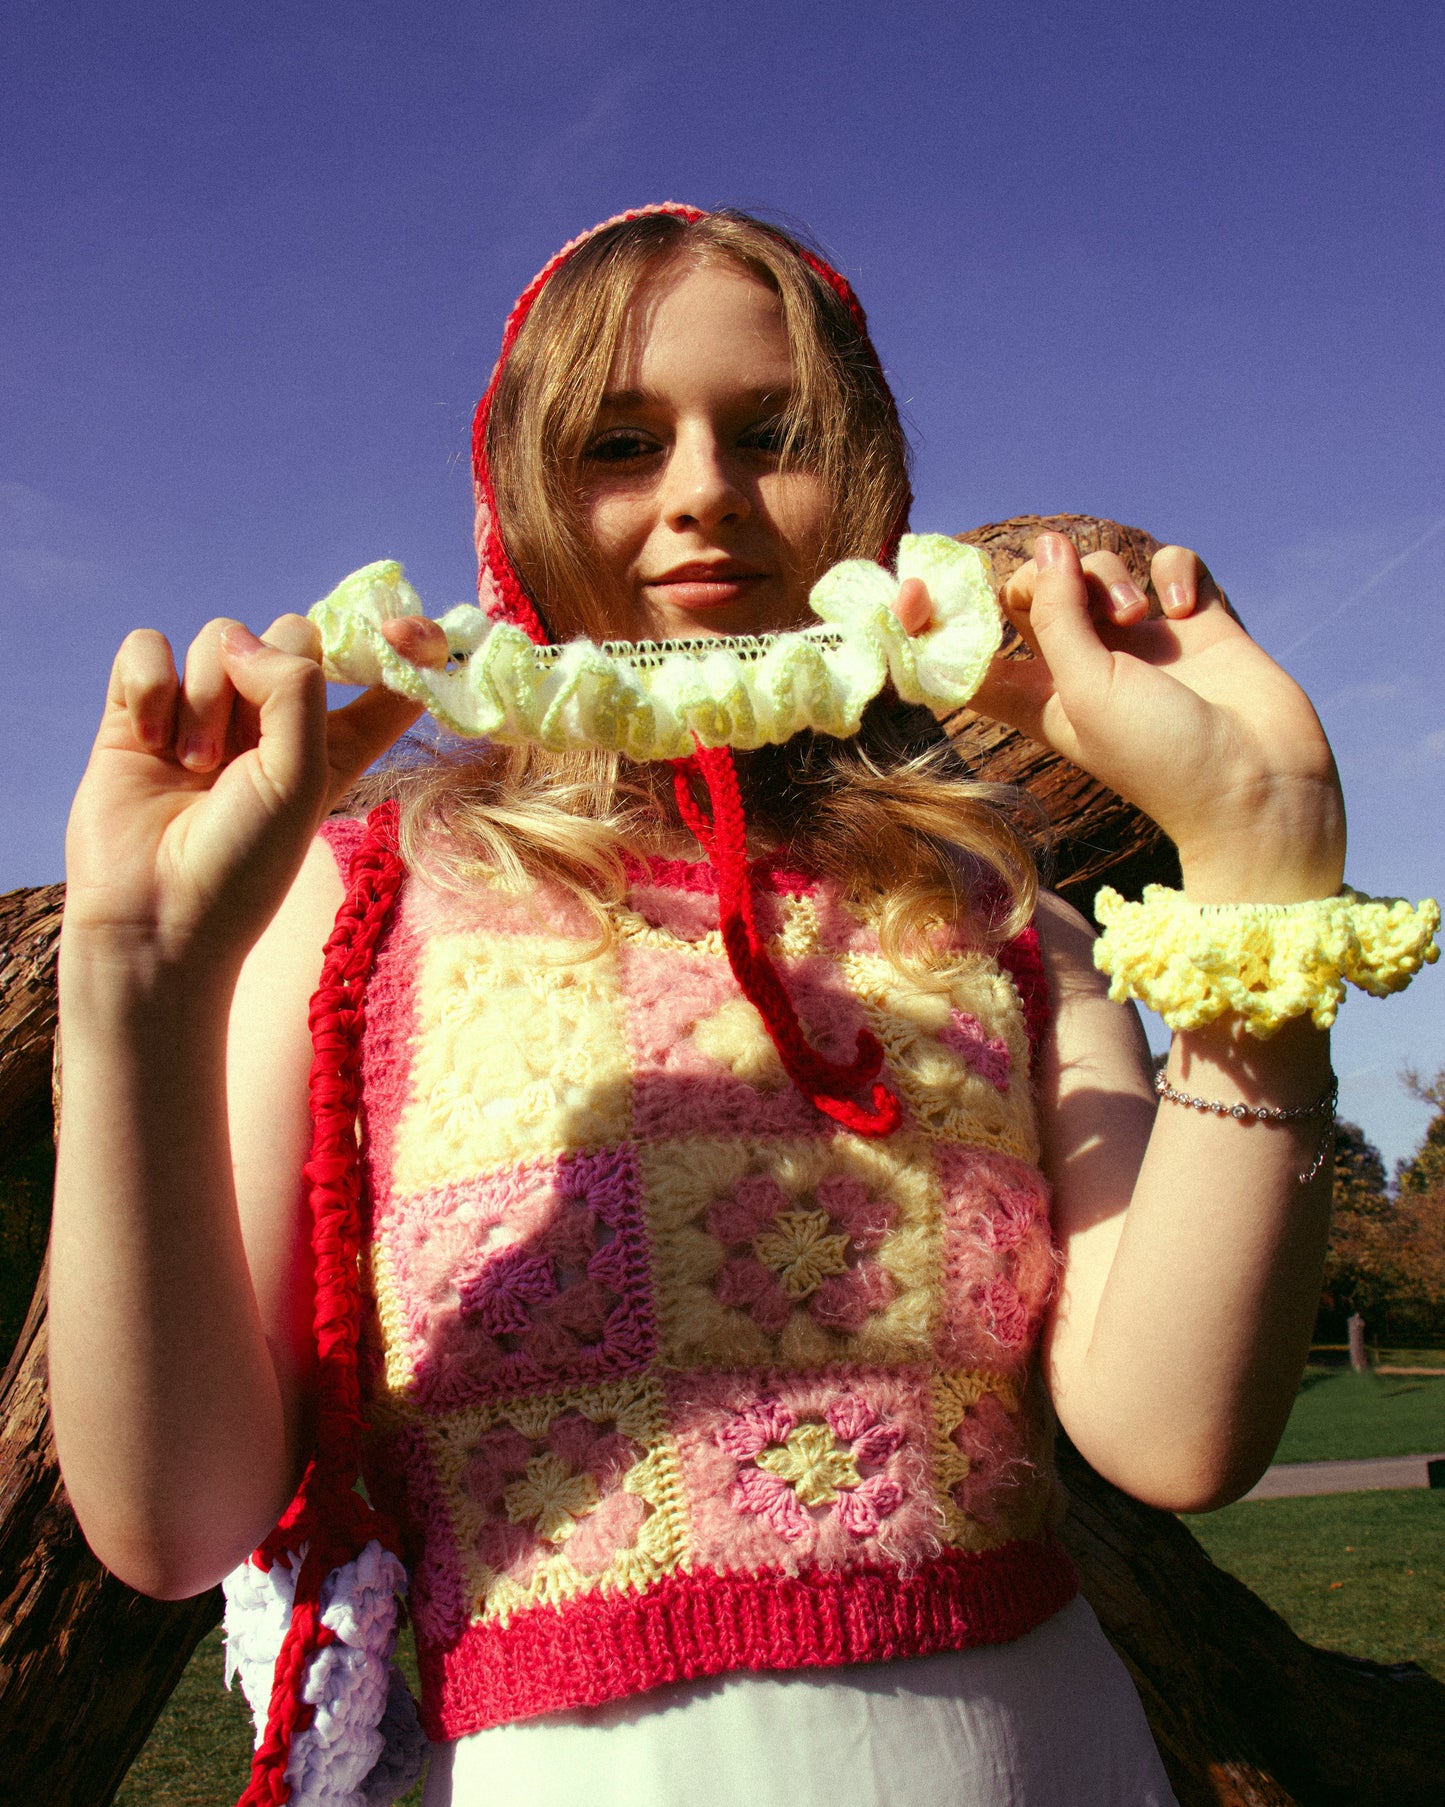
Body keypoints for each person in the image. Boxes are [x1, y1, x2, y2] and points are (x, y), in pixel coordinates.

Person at [47, 204, 1431, 1807]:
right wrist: (136, 979)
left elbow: (1175, 1439)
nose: (701, 493)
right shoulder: (352, 911)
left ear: (870, 487)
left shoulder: (998, 923)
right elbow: (169, 1523)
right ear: (517, 502)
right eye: (620, 444)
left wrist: (1259, 868)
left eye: (771, 433)